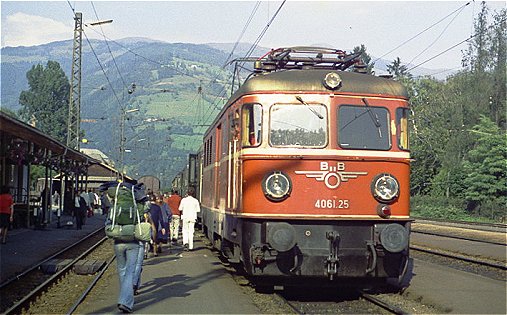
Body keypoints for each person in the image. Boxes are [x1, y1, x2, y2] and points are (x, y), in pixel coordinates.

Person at [179, 187, 200, 251]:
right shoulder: (196, 201)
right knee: (191, 232)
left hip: (185, 217)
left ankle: (185, 243)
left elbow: (180, 209)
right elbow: (198, 210)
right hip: (193, 217)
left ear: (187, 193)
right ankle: (191, 246)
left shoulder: (183, 200)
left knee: (185, 231)